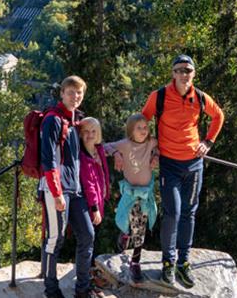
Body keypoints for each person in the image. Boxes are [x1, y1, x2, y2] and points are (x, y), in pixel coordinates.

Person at [140, 54, 224, 288]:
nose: (184, 74)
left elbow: (218, 116)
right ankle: (168, 262)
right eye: (179, 70)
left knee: (189, 213)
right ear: (173, 73)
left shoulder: (200, 97)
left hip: (194, 164)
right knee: (173, 213)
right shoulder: (159, 96)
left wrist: (208, 142)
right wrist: (151, 146)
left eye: (188, 70)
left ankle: (183, 262)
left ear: (193, 73)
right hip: (169, 164)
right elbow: (141, 121)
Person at [38, 75, 100, 298]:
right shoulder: (53, 120)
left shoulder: (74, 121)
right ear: (62, 94)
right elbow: (48, 160)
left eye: (79, 93)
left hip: (75, 190)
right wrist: (56, 193)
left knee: (87, 235)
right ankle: (51, 290)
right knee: (55, 240)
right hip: (55, 190)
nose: (75, 96)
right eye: (71, 92)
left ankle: (82, 289)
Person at [105, 113, 159, 282]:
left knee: (140, 227)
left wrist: (156, 155)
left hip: (145, 194)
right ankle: (125, 233)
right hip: (130, 193)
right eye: (139, 128)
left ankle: (135, 261)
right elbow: (105, 146)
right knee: (127, 220)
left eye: (145, 127)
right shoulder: (125, 144)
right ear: (130, 131)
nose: (143, 131)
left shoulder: (151, 142)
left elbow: (162, 145)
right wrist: (116, 153)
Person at [77, 117, 109, 233]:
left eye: (93, 131)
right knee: (89, 234)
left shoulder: (99, 150)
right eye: (86, 131)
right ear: (81, 133)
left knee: (95, 233)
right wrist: (95, 208)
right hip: (90, 204)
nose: (90, 134)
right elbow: (88, 184)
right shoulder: (82, 156)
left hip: (100, 198)